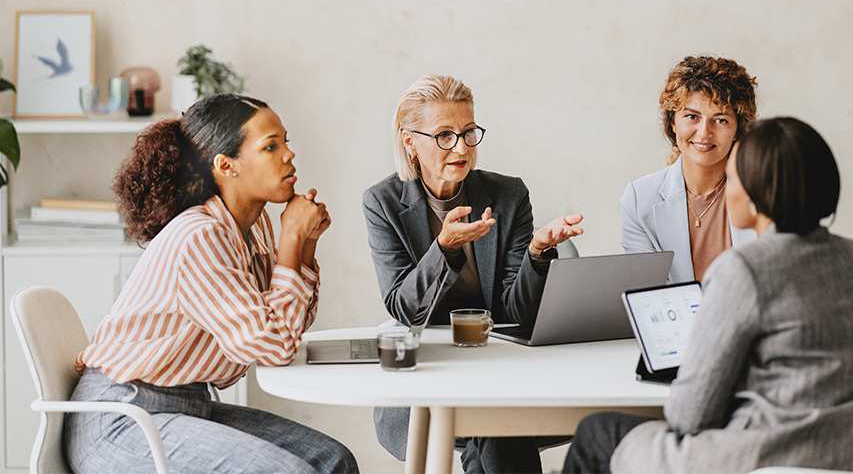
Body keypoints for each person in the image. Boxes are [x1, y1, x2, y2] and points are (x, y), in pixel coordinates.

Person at [563, 117, 853, 474]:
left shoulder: (746, 268)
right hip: (849, 460)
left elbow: (689, 415)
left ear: (755, 195)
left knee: (597, 433)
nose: (725, 187)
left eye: (731, 178)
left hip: (758, 459)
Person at [65, 94, 358, 474]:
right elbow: (276, 347)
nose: (289, 155)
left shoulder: (252, 229)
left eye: (286, 142)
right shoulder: (199, 236)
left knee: (332, 461)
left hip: (187, 406)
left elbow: (289, 324)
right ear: (226, 165)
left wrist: (304, 245)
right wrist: (291, 240)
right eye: (271, 146)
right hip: (121, 420)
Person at [363, 74, 584, 474]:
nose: (461, 147)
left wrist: (537, 253)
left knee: (493, 416)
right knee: (497, 424)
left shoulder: (508, 195)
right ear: (410, 141)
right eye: (444, 135)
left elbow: (515, 311)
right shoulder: (383, 203)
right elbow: (403, 307)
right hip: (432, 370)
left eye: (468, 133)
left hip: (501, 364)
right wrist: (443, 247)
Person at [620, 55, 759, 282]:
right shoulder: (639, 199)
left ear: (738, 129)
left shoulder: (764, 192)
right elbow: (647, 295)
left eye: (721, 120)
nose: (704, 133)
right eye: (692, 116)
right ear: (673, 122)